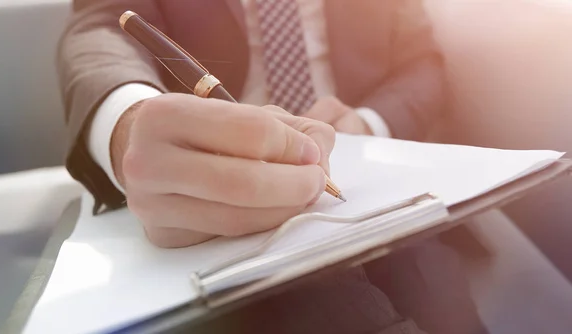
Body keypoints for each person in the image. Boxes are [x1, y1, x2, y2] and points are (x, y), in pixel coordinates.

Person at [57, 0, 488, 333]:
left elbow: (421, 64)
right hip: (216, 186)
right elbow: (101, 30)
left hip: (372, 183)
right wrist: (132, 122)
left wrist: (366, 122)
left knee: (437, 295)